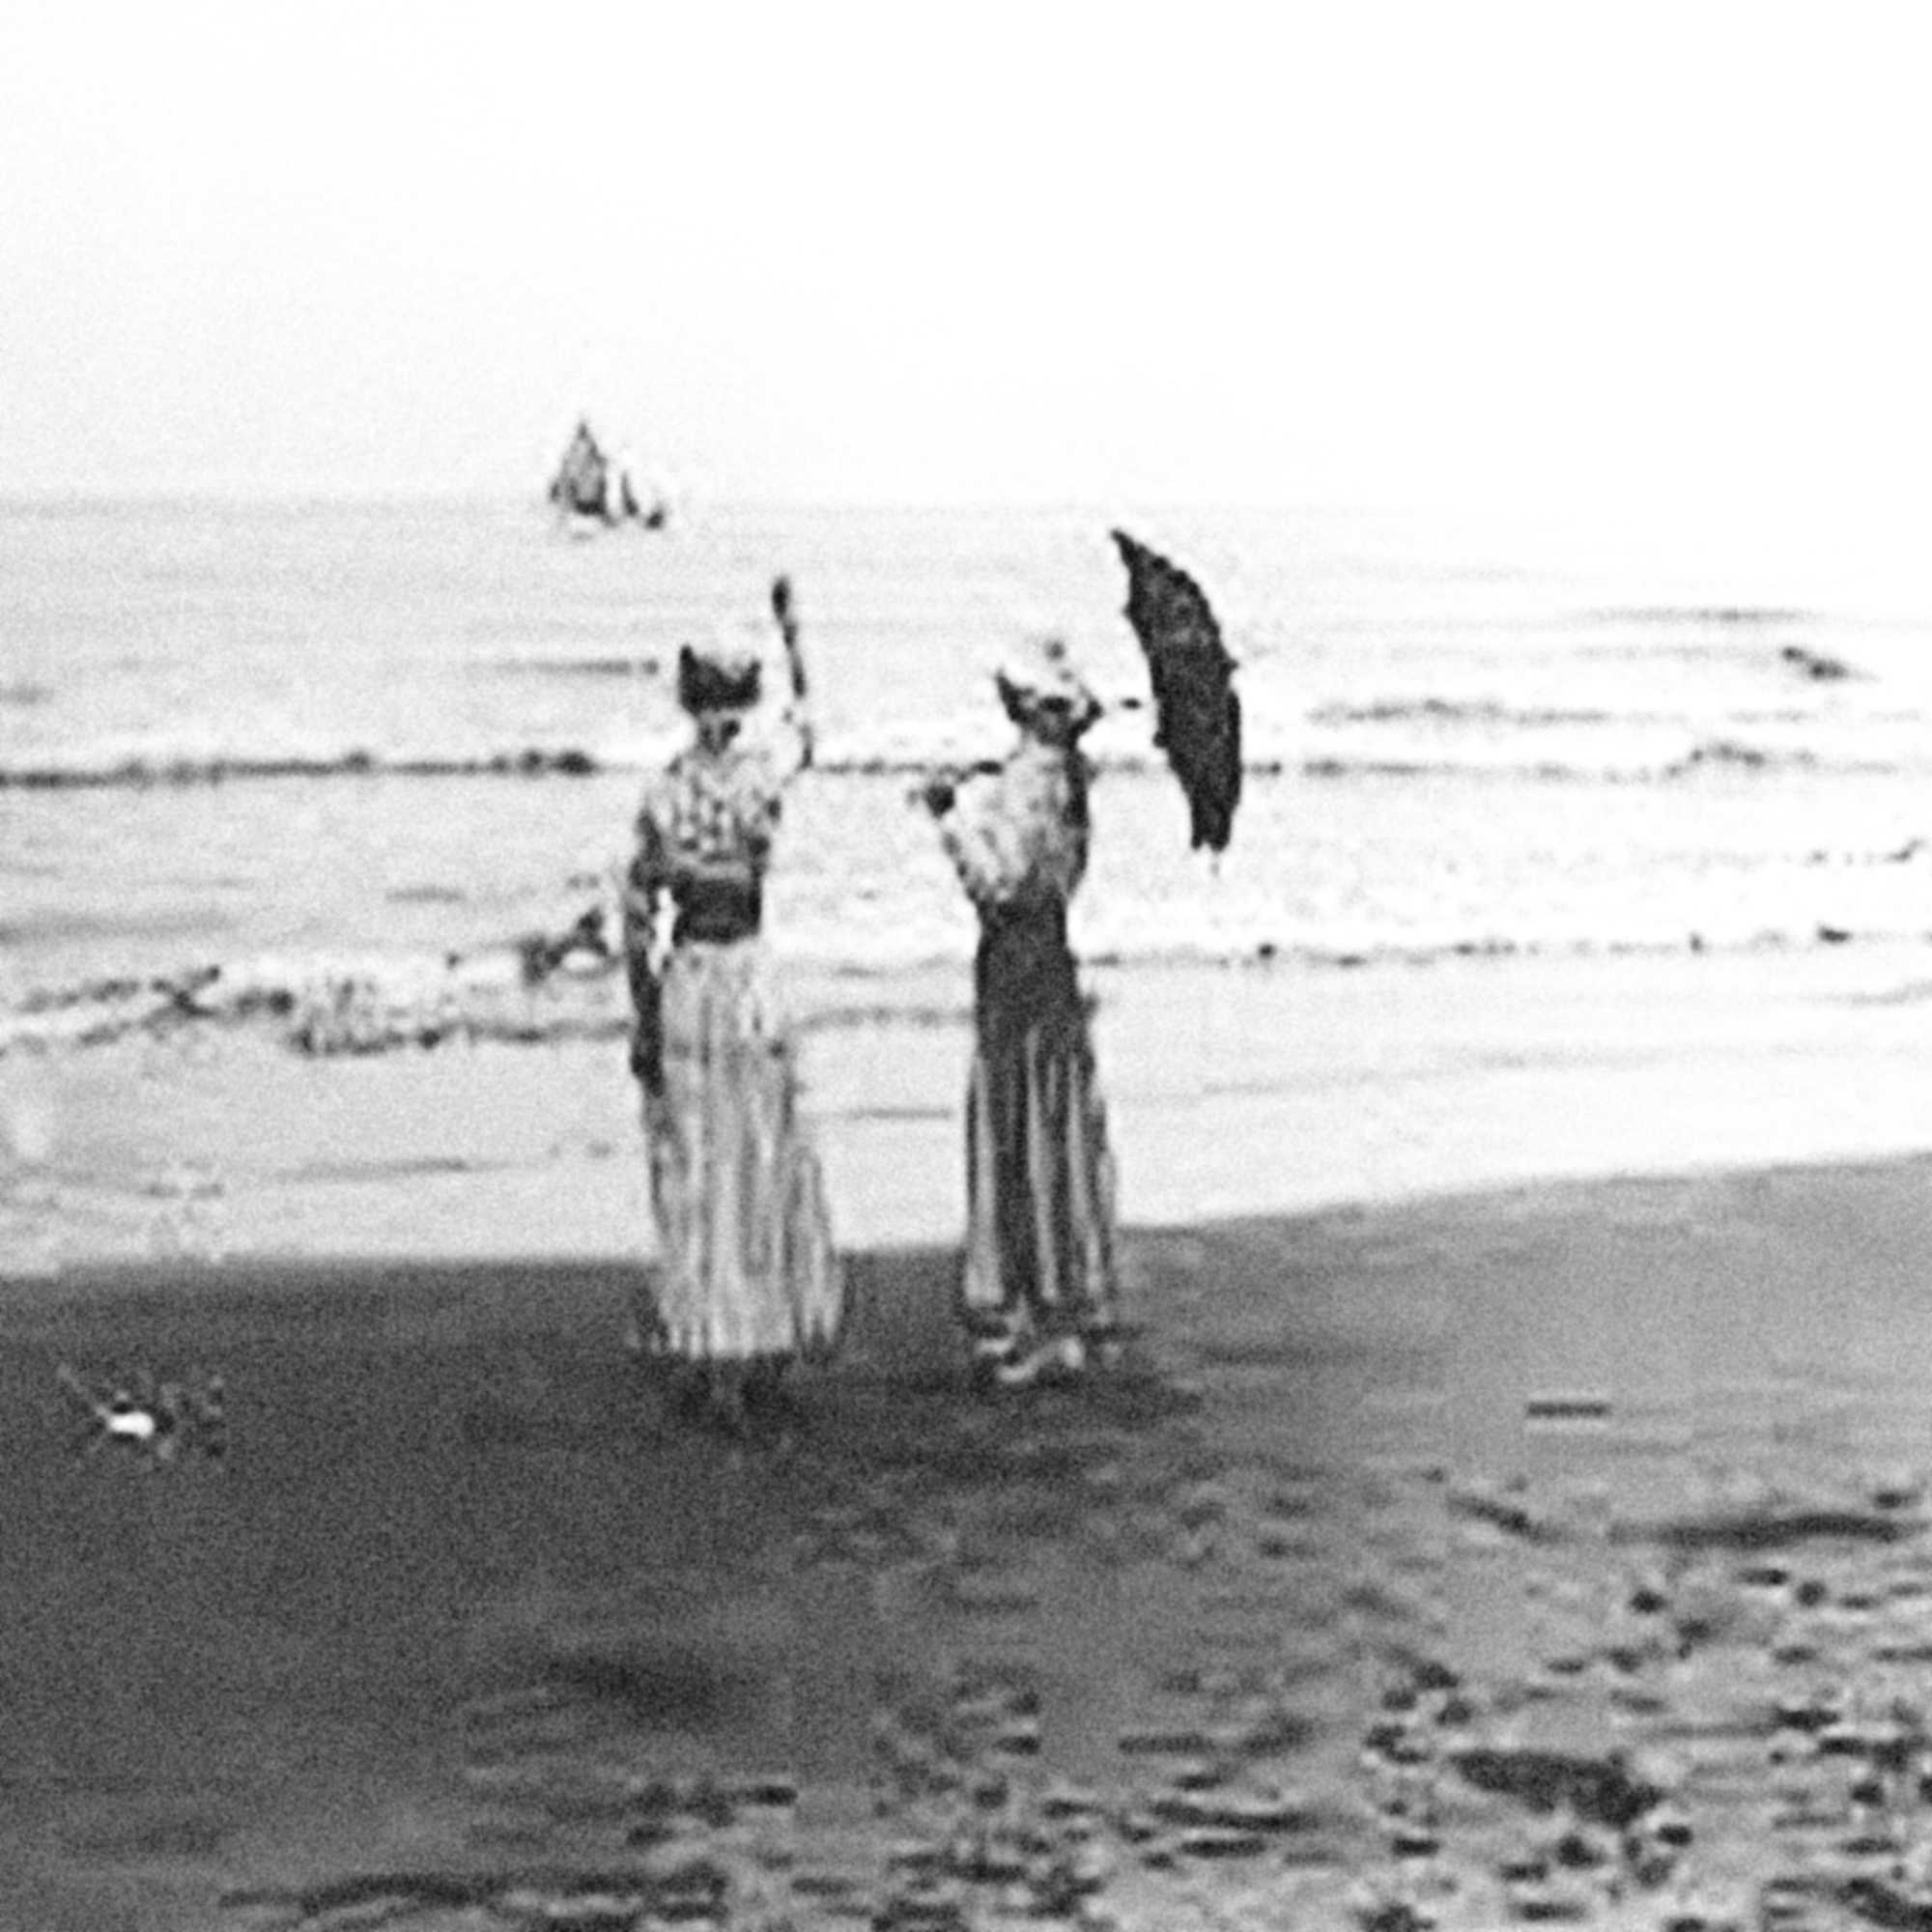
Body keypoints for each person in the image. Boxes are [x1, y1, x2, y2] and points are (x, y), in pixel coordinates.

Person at [620, 621, 841, 1424]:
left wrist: (643, 1011)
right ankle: (758, 1343)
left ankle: (714, 1340)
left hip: (695, 978)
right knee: (756, 1156)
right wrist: (795, 635)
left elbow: (636, 914)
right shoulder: (757, 781)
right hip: (744, 976)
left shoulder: (665, 794)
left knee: (708, 1164)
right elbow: (810, 732)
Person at [919, 635, 1122, 1387]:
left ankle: (1026, 1314)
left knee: (1014, 1126)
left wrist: (949, 820)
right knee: (1055, 1121)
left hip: (1013, 959)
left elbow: (998, 883)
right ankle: (1064, 1304)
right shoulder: (1068, 780)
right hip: (1052, 954)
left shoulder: (1028, 781)